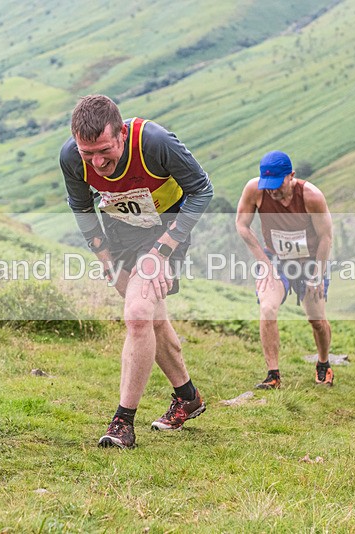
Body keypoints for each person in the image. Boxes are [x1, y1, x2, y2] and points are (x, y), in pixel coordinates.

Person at [60, 95, 213, 448]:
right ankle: (187, 397)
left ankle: (122, 423)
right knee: (151, 318)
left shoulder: (155, 143)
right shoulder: (72, 157)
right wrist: (103, 257)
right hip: (120, 234)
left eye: (105, 151)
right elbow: (81, 206)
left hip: (166, 231)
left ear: (123, 134)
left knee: (139, 314)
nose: (97, 163)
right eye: (88, 154)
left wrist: (162, 249)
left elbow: (202, 190)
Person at [235, 150, 333, 388]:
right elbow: (242, 225)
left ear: (292, 176)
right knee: (268, 309)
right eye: (269, 186)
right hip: (276, 258)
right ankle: (273, 375)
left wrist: (317, 275)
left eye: (278, 185)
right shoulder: (255, 190)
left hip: (310, 260)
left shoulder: (311, 196)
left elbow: (326, 237)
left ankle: (323, 363)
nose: (273, 192)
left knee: (316, 320)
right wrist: (264, 264)